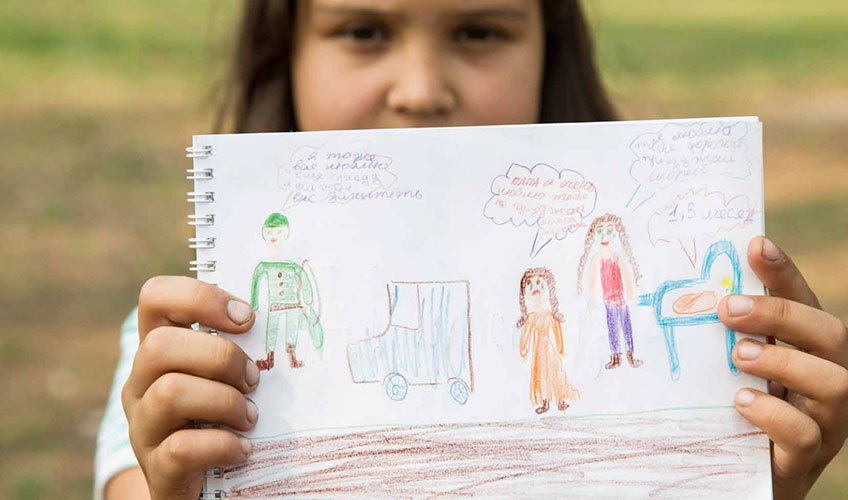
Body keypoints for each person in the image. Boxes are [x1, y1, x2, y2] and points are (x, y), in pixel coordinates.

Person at [96, 1, 848, 499]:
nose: (421, 90)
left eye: (479, 31)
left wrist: (741, 478)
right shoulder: (192, 341)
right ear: (282, 50)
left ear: (550, 48)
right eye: (363, 29)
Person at [249, 212, 323, 371]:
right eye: (269, 232)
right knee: (272, 329)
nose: (273, 236)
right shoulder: (265, 265)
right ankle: (270, 358)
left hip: (292, 304)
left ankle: (293, 358)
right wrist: (254, 305)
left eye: (278, 232)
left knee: (291, 329)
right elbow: (255, 281)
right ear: (264, 234)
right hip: (275, 303)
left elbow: (303, 278)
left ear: (286, 233)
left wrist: (308, 301)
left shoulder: (292, 265)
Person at [576, 213, 644, 370]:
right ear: (594, 235)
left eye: (609, 231)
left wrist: (631, 294)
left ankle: (630, 355)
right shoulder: (597, 258)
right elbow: (592, 281)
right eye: (600, 232)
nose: (604, 236)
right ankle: (615, 356)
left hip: (621, 300)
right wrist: (592, 299)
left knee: (626, 326)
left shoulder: (617, 257)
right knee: (612, 328)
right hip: (608, 302)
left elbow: (627, 276)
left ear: (616, 234)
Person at [517, 267, 579, 414]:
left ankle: (560, 400)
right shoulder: (531, 317)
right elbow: (525, 336)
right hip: (538, 353)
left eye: (539, 283)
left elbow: (558, 333)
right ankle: (545, 402)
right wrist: (524, 348)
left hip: (549, 351)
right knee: (541, 377)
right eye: (530, 285)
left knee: (554, 374)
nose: (535, 287)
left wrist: (560, 347)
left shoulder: (550, 315)